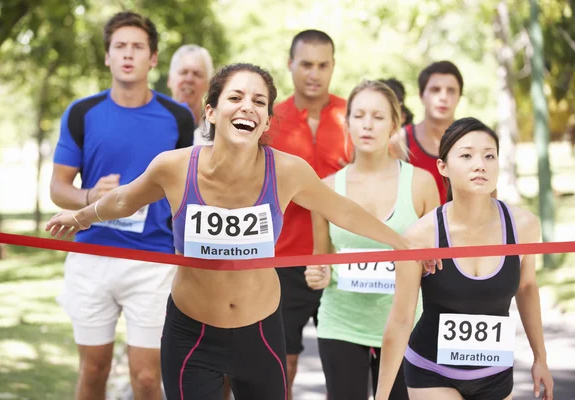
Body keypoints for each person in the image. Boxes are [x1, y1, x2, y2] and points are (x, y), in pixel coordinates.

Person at [46, 63, 439, 400]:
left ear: (267, 121)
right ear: (212, 111)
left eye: (259, 101)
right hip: (191, 334)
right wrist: (79, 217)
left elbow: (344, 212)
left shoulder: (287, 171)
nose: (247, 106)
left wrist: (403, 244)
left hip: (261, 334)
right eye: (235, 97)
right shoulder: (174, 167)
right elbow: (123, 201)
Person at [49, 11, 194, 400]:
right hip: (91, 258)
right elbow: (59, 189)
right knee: (93, 370)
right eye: (120, 47)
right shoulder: (82, 113)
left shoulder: (178, 118)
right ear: (108, 57)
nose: (128, 54)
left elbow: (188, 192)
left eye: (138, 47)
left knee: (147, 378)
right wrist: (92, 197)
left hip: (153, 262)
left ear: (153, 58)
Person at [376, 117, 554, 400]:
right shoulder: (421, 235)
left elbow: (527, 287)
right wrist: (382, 395)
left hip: (495, 373)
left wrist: (540, 358)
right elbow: (400, 318)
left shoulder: (525, 226)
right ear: (442, 167)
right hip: (430, 371)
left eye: (489, 155)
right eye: (467, 155)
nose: (480, 164)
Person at [304, 80, 439, 400]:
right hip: (341, 324)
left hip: (408, 325)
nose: (367, 124)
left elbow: (437, 264)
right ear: (346, 122)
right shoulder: (324, 187)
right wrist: (316, 273)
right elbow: (321, 259)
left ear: (395, 124)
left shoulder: (421, 184)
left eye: (378, 117)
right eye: (359, 115)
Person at [269, 29, 352, 397]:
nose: (314, 73)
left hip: (345, 261)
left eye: (322, 65)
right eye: (305, 64)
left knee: (347, 366)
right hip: (283, 262)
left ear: (333, 66)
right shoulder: (270, 119)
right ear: (290, 65)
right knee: (280, 365)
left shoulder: (354, 116)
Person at [390, 61, 464, 204]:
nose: (443, 97)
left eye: (451, 90)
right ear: (421, 95)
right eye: (435, 90)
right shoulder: (399, 142)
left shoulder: (472, 140)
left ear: (459, 96)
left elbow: (488, 200)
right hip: (416, 225)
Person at [168, 44, 214, 145]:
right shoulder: (152, 125)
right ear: (169, 79)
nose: (189, 79)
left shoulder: (216, 137)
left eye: (197, 74)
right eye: (183, 72)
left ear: (209, 84)